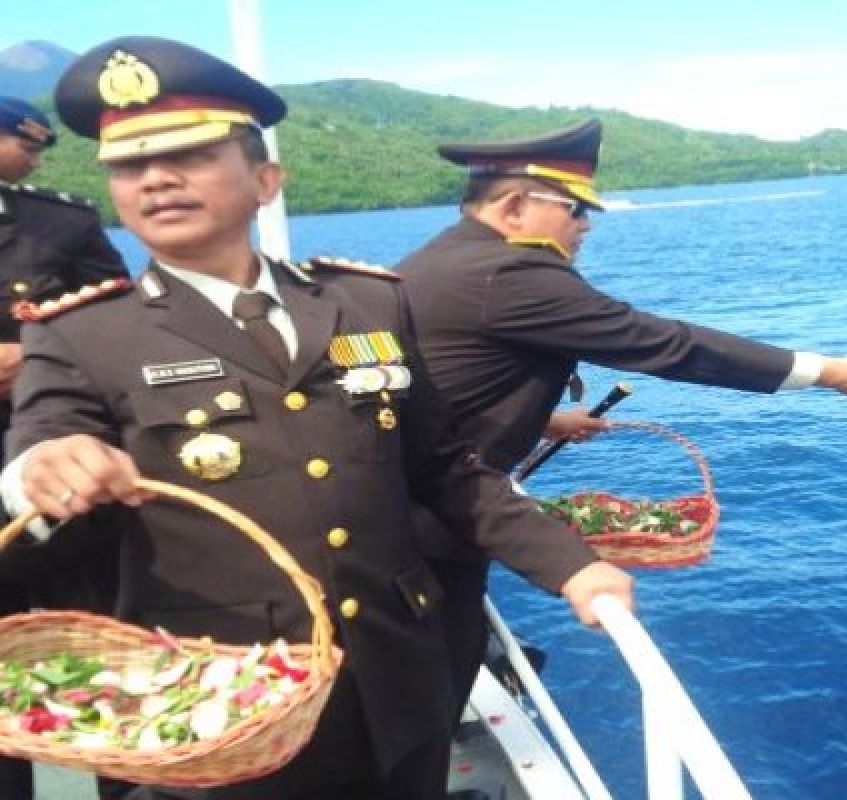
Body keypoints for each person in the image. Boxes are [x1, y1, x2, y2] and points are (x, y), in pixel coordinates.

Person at [0, 37, 632, 800]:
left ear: (265, 180)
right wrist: (39, 469)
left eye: (192, 155)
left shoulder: (368, 302)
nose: (158, 178)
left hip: (399, 675)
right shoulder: (79, 334)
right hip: (222, 706)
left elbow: (444, 469)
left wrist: (571, 565)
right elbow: (43, 437)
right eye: (130, 165)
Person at [393, 118, 847, 721]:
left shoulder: (442, 261)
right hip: (428, 534)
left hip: (397, 516)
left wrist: (547, 421)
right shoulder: (513, 276)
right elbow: (670, 345)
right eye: (574, 208)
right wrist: (834, 373)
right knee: (422, 710)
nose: (585, 224)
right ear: (518, 205)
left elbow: (438, 380)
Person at [0, 96, 129, 800]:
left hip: (65, 487)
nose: (36, 156)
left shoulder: (60, 222)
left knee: (105, 656)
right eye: (27, 143)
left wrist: (32, 357)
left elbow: (119, 326)